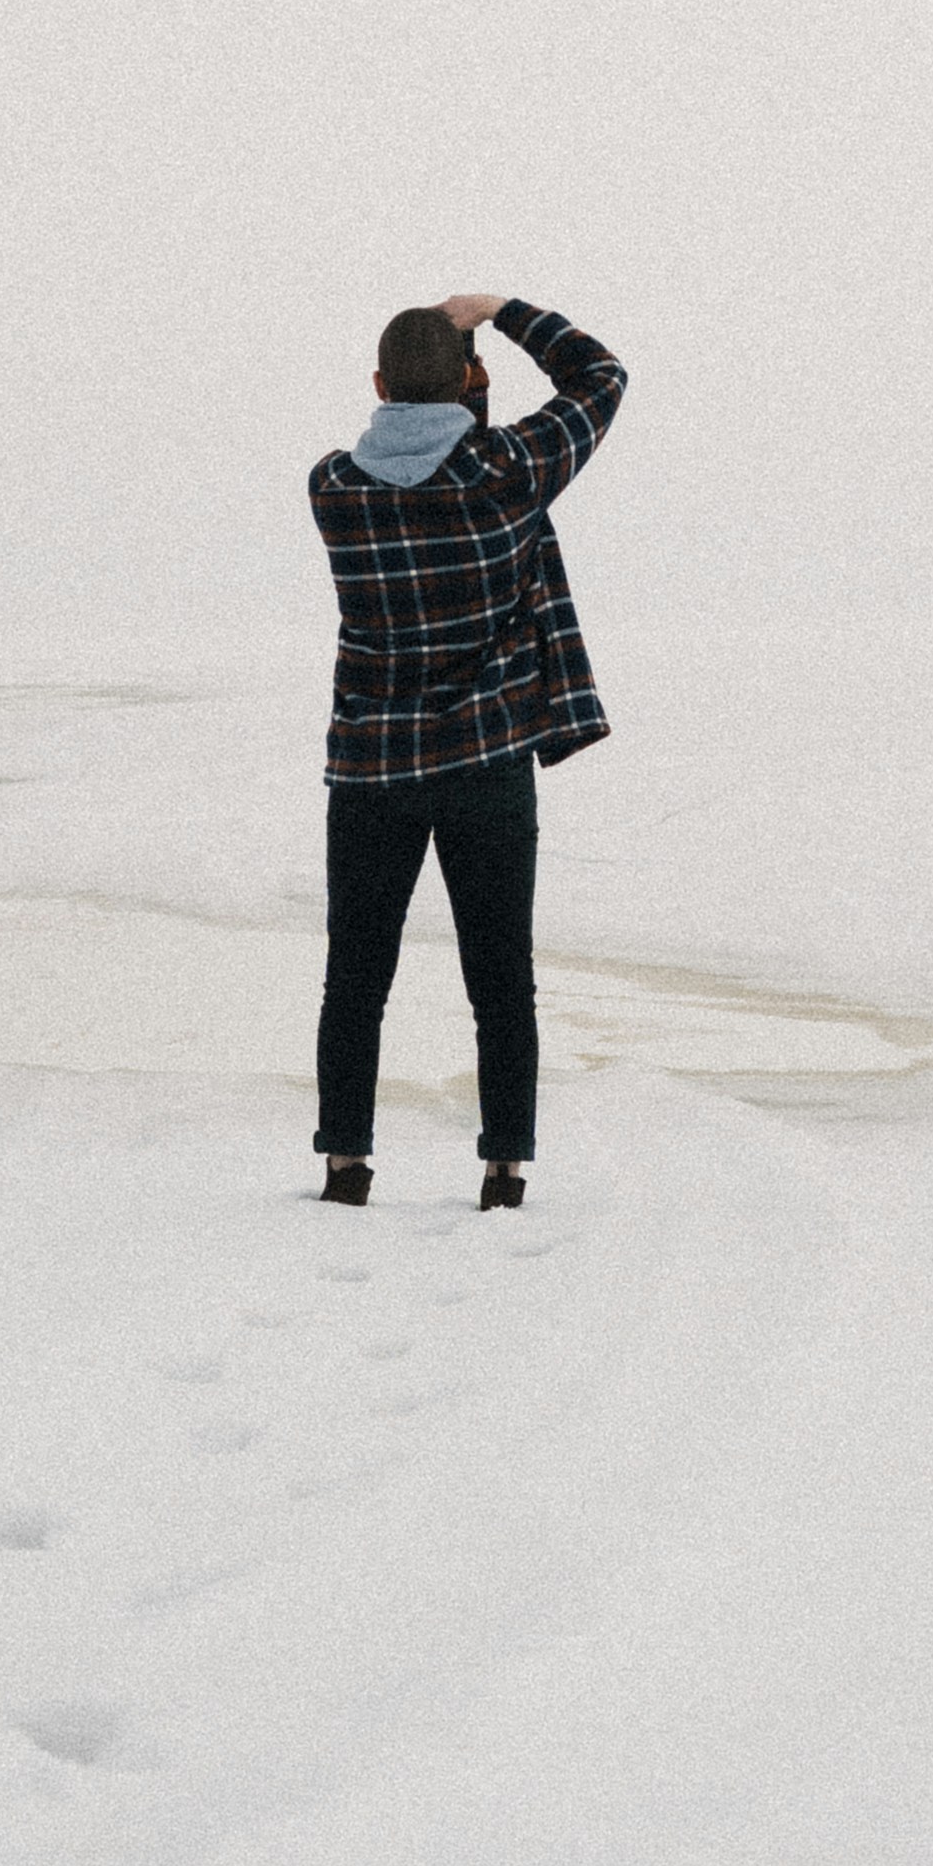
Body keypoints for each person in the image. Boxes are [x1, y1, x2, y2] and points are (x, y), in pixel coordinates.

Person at [308, 288, 627, 1211]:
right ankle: (504, 1167)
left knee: (356, 974)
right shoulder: (508, 470)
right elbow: (600, 376)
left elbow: (419, 455)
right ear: (472, 383)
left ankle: (346, 1163)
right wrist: (505, 311)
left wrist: (457, 389)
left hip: (371, 766)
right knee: (499, 974)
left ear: (376, 384)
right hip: (486, 761)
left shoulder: (334, 488)